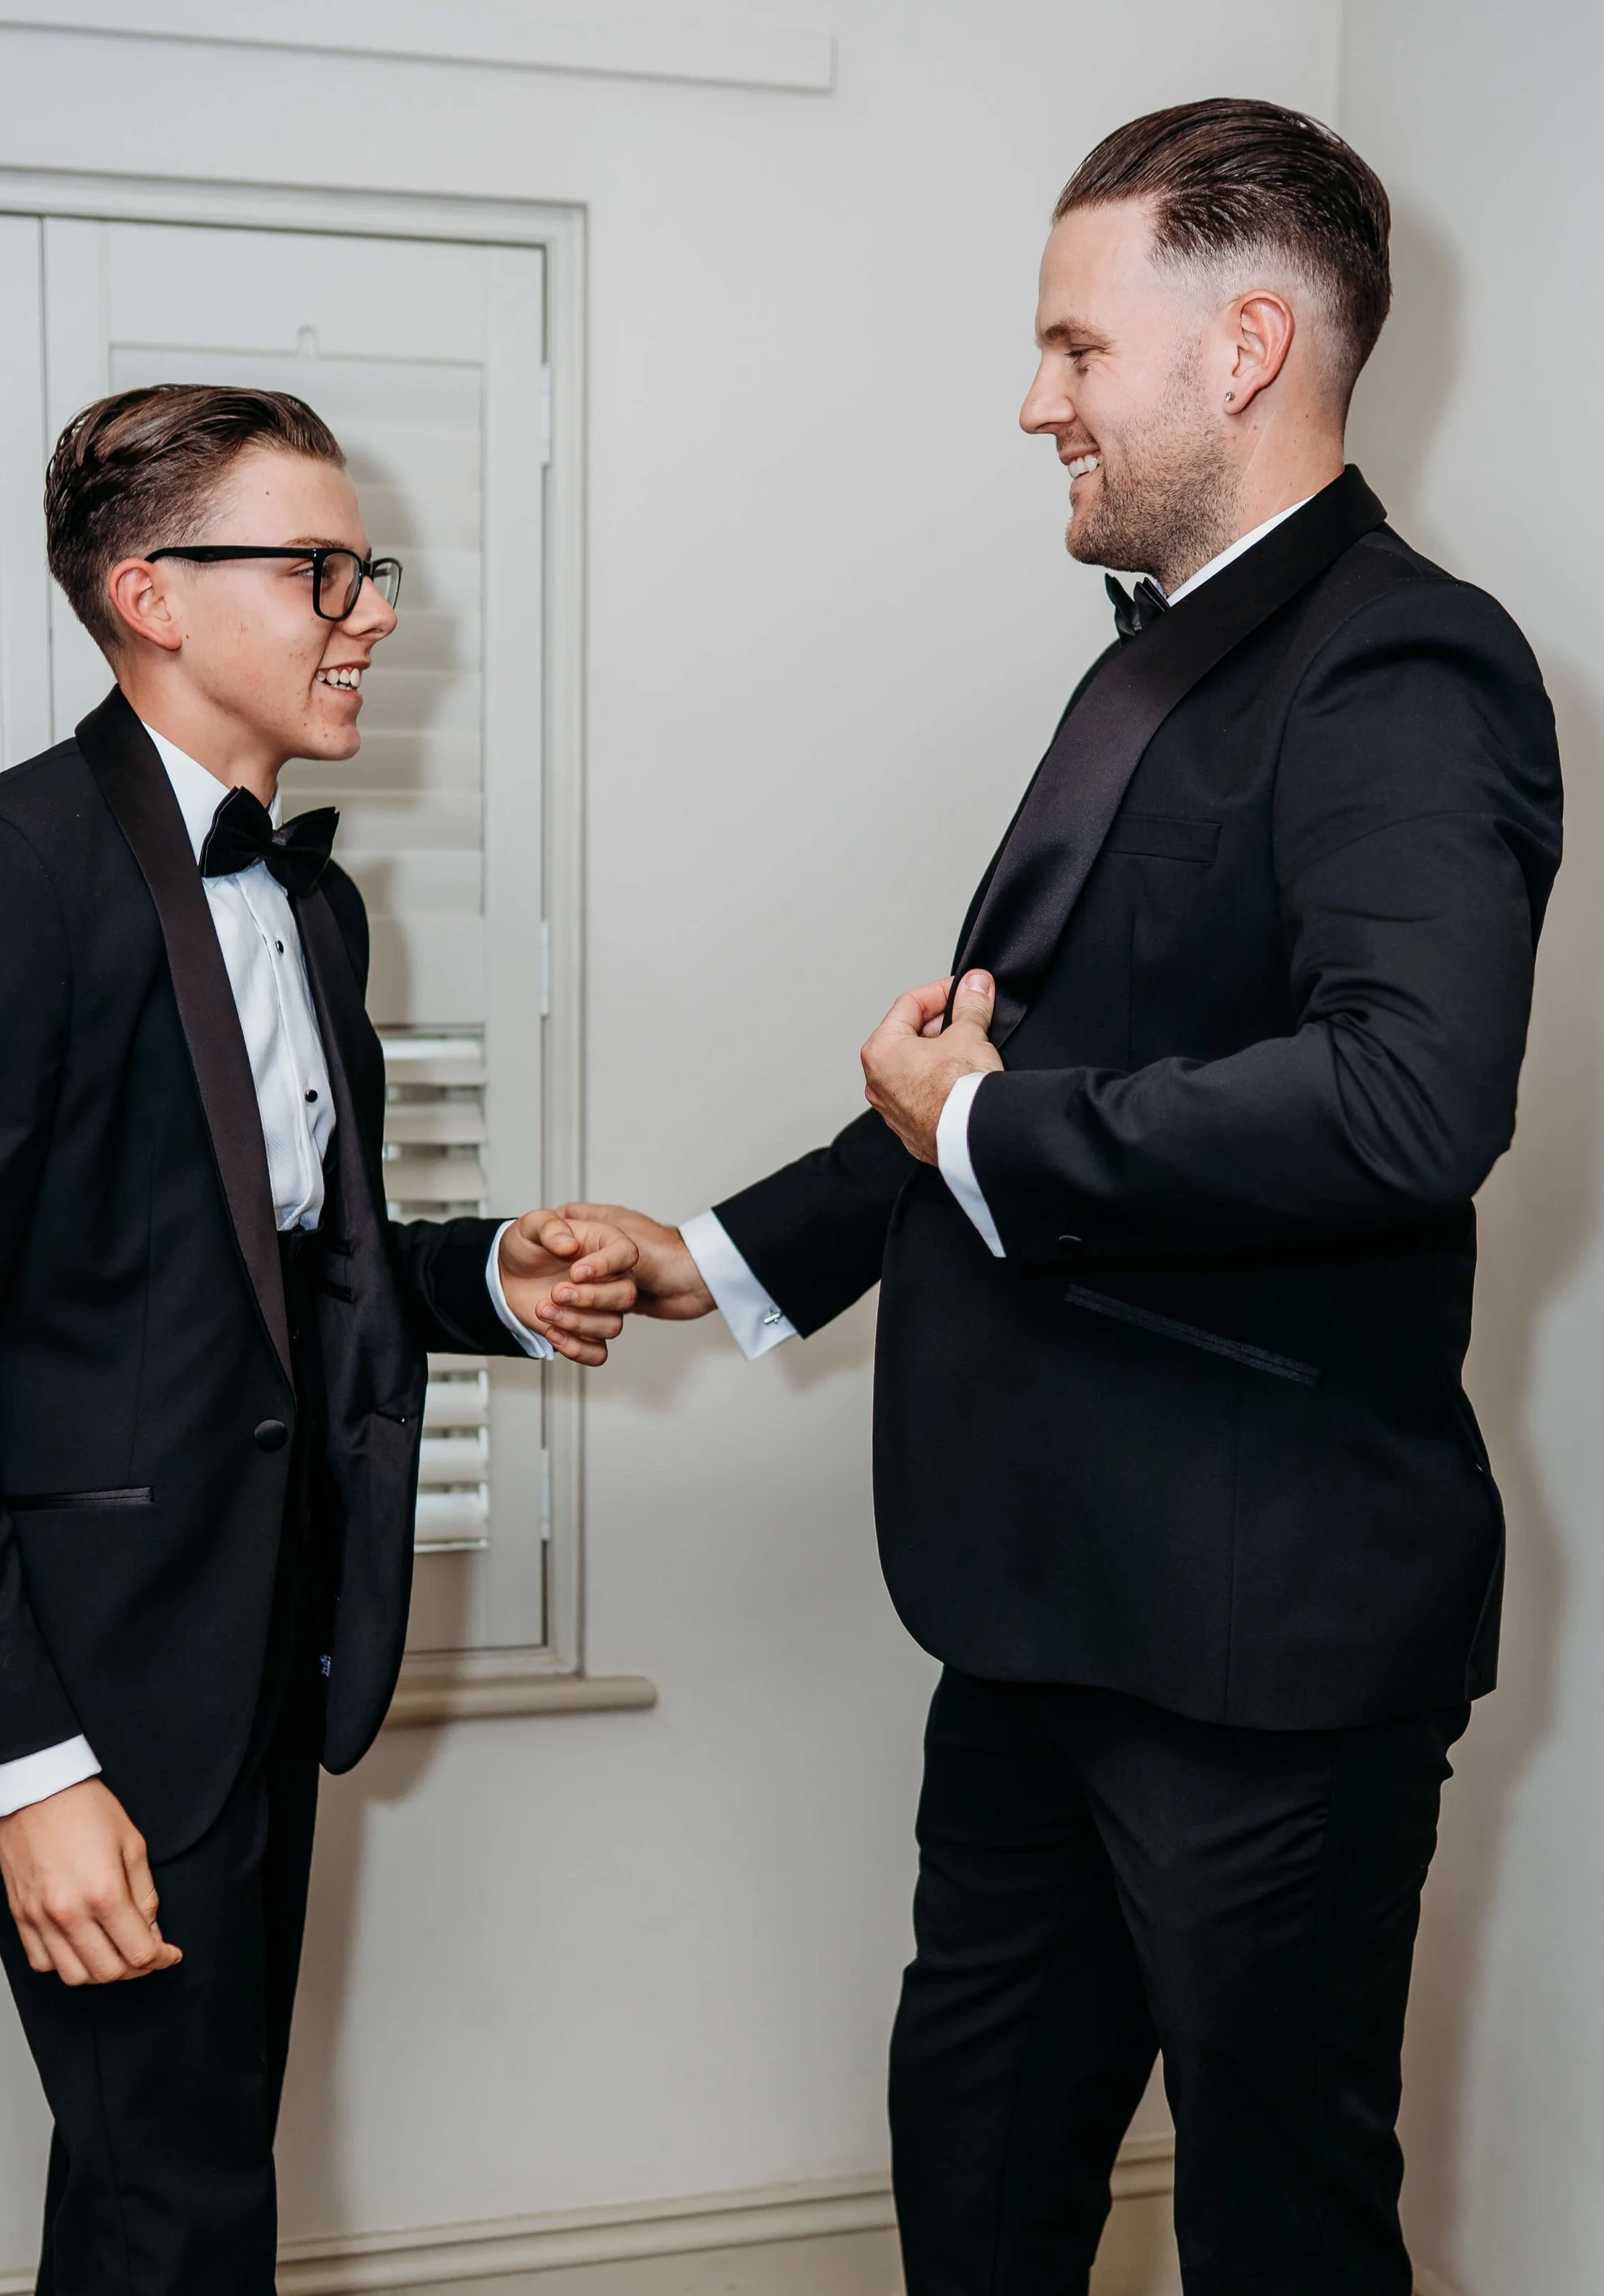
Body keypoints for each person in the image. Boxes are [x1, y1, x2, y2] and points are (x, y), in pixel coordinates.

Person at [570, 100, 1562, 2294]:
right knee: (977, 2190)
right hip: (1035, 1615)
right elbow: (1009, 1071)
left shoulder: (1405, 661)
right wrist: (721, 1255)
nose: (1037, 399)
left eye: (1074, 345)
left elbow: (1407, 1099)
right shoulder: (1157, 657)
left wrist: (987, 1131)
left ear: (1245, 344)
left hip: (1260, 1643)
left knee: (1279, 2234)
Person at [0, 385, 638, 2293]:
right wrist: (29, 1767)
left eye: (369, 567)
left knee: (159, 2190)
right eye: (320, 569)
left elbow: (271, 1269)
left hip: (262, 1637)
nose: (373, 610)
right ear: (151, 596)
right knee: (185, 2206)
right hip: (83, 1683)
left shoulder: (311, 903)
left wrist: (487, 1280)